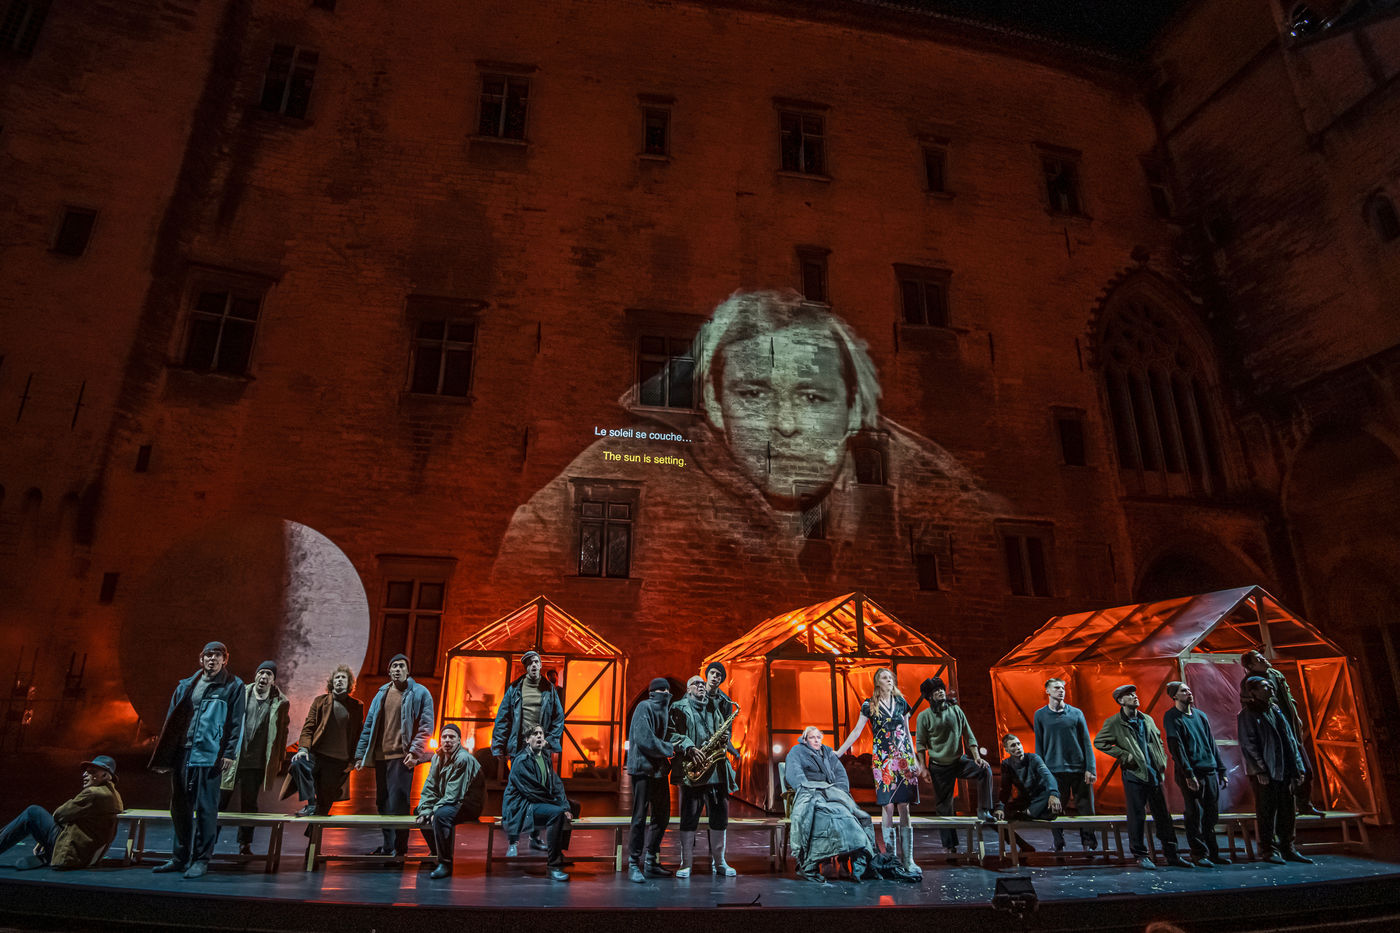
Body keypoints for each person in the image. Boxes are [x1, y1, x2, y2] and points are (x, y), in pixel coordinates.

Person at [492, 290, 1006, 680]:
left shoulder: (945, 495)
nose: (785, 425)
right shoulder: (595, 482)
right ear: (715, 403)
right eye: (755, 394)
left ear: (853, 409)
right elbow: (518, 574)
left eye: (812, 398)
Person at [148, 641, 246, 878]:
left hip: (209, 754)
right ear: (201, 659)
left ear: (225, 659)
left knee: (206, 809)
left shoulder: (233, 686)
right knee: (180, 808)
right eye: (208, 655)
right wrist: (165, 755)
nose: (212, 659)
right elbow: (171, 722)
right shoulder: (186, 685)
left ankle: (201, 859)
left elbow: (236, 723)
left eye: (218, 655)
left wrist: (229, 753)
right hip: (184, 753)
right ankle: (179, 858)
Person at [835, 668, 923, 876]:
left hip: (903, 758)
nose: (889, 680)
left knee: (904, 806)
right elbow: (857, 730)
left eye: (891, 678)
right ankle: (890, 857)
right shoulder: (869, 705)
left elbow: (907, 732)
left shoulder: (901, 703)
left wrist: (916, 760)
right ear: (877, 682)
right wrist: (839, 751)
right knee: (888, 805)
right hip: (883, 760)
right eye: (885, 678)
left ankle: (908, 859)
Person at [1093, 684, 1190, 870]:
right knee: (1137, 816)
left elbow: (1157, 740)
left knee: (1163, 816)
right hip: (1134, 774)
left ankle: (1172, 854)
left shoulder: (1147, 719)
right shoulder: (1114, 723)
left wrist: (1161, 760)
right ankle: (1140, 855)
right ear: (1121, 701)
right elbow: (1100, 742)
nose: (1135, 697)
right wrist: (1124, 756)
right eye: (1129, 695)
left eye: (1135, 694)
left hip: (1153, 773)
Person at [354, 653, 434, 863]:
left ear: (408, 670)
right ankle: (388, 845)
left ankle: (399, 849)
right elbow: (369, 725)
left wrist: (414, 752)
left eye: (401, 666)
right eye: (394, 666)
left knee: (398, 804)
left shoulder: (420, 692)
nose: (398, 669)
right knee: (383, 802)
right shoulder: (381, 693)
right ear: (389, 671)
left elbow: (426, 726)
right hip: (382, 757)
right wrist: (360, 754)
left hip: (402, 757)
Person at [912, 675, 993, 861]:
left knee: (984, 770)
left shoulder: (955, 710)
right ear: (929, 696)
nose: (940, 692)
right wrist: (923, 767)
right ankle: (950, 846)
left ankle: (984, 809)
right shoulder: (924, 716)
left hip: (958, 761)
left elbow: (968, 734)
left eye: (941, 689)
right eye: (936, 691)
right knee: (944, 806)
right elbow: (921, 744)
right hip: (939, 767)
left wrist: (977, 757)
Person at [492, 649, 564, 855]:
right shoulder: (515, 688)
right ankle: (513, 841)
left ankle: (535, 836)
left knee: (540, 790)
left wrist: (549, 740)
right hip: (519, 748)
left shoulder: (548, 689)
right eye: (530, 663)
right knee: (516, 793)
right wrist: (499, 745)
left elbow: (558, 717)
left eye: (536, 662)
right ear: (526, 667)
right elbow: (503, 717)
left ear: (540, 665)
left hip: (540, 747)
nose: (533, 665)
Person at [785, 726, 878, 884]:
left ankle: (858, 860)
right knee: (822, 816)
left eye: (818, 737)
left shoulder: (828, 753)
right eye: (812, 737)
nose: (816, 740)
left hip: (832, 793)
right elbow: (795, 774)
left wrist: (839, 792)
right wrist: (809, 789)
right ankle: (812, 863)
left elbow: (841, 775)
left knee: (849, 815)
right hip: (811, 792)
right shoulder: (797, 752)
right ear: (805, 740)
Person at [0, 755, 124, 870]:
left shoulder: (93, 793)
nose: (84, 775)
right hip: (87, 855)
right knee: (47, 820)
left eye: (92, 772)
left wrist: (44, 833)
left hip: (71, 853)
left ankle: (49, 853)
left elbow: (60, 814)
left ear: (105, 775)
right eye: (86, 771)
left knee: (33, 812)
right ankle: (48, 854)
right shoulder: (115, 795)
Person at [1238, 675, 1313, 864]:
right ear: (1253, 691)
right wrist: (1260, 770)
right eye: (1265, 686)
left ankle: (1288, 847)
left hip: (1284, 768)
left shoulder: (1275, 710)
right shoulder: (1248, 714)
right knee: (1267, 811)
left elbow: (1290, 740)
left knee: (1287, 810)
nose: (1270, 688)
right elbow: (1249, 744)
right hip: (1267, 771)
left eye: (1270, 686)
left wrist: (1298, 767)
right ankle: (1268, 850)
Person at [669, 675, 739, 877]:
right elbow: (669, 733)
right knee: (689, 816)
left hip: (716, 771)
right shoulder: (678, 707)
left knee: (720, 816)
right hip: (693, 770)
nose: (701, 686)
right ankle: (686, 863)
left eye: (702, 683)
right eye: (696, 684)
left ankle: (720, 862)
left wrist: (724, 738)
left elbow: (720, 730)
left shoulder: (712, 707)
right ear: (688, 689)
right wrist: (689, 746)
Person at [219, 660, 289, 855]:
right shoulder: (241, 693)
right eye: (261, 673)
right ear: (256, 675)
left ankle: (245, 843)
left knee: (249, 804)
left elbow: (282, 732)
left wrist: (279, 759)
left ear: (273, 680)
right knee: (220, 800)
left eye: (268, 674)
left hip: (255, 763)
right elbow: (227, 723)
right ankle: (207, 841)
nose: (264, 677)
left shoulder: (280, 702)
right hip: (233, 759)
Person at [1241, 651, 1321, 816]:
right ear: (1251, 666)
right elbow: (1251, 710)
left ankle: (1304, 804)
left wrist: (1296, 718)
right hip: (1273, 734)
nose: (1263, 659)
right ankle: (1286, 810)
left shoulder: (1275, 675)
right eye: (1258, 659)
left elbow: (1288, 698)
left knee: (1305, 769)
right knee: (1281, 774)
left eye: (1262, 657)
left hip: (1290, 728)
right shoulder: (1250, 683)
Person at [1161, 681, 1230, 867]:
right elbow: (1177, 747)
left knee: (1211, 814)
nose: (1189, 692)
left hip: (1209, 770)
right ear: (1174, 696)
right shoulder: (1172, 717)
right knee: (1194, 814)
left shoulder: (1200, 715)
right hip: (1192, 773)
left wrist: (1221, 769)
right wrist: (1188, 774)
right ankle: (1199, 854)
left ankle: (1213, 853)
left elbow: (1211, 743)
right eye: (1183, 691)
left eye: (1189, 690)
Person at [284, 664, 364, 818]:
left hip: (338, 761)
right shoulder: (320, 701)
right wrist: (303, 749)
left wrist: (354, 760)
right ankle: (310, 803)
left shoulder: (356, 706)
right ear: (332, 682)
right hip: (318, 755)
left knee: (324, 806)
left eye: (343, 678)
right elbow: (308, 727)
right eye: (337, 677)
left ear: (349, 683)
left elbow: (357, 735)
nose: (339, 680)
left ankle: (312, 833)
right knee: (298, 764)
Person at [501, 724, 578, 882]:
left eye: (541, 734)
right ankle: (553, 866)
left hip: (536, 800)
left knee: (574, 806)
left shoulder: (545, 758)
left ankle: (558, 852)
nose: (539, 736)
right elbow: (532, 791)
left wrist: (565, 806)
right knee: (556, 814)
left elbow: (556, 785)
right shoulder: (521, 761)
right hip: (522, 806)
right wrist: (559, 808)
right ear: (527, 740)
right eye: (534, 734)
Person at [1033, 677, 1097, 852]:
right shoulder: (1040, 715)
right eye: (1056, 688)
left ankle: (1089, 843)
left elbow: (1086, 742)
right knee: (1055, 807)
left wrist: (1090, 768)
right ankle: (1058, 842)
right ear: (1047, 691)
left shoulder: (1076, 713)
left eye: (1062, 688)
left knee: (1086, 808)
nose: (1061, 690)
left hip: (1078, 768)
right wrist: (1041, 772)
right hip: (1054, 770)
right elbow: (1039, 745)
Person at [415, 723, 484, 879]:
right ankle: (436, 852)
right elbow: (430, 787)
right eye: (444, 737)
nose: (447, 740)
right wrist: (425, 810)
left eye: (452, 737)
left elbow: (454, 794)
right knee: (420, 812)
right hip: (451, 799)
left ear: (459, 740)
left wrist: (433, 811)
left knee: (441, 815)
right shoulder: (437, 757)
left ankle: (445, 863)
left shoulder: (463, 759)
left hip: (469, 803)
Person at [625, 678, 676, 883]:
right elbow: (644, 739)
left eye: (667, 689)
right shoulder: (643, 707)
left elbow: (666, 735)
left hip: (658, 771)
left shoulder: (665, 709)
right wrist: (669, 749)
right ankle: (633, 863)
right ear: (653, 692)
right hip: (642, 770)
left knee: (662, 816)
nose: (666, 692)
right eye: (662, 689)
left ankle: (651, 861)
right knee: (639, 817)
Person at [994, 735, 1062, 823]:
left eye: (1018, 744)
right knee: (999, 811)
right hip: (1025, 799)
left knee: (1050, 798)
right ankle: (1030, 813)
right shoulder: (1006, 764)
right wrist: (1000, 808)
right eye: (1013, 745)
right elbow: (1005, 789)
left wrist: (1054, 794)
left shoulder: (1034, 758)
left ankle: (1028, 813)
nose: (1018, 747)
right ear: (1007, 750)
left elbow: (1048, 776)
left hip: (1041, 796)